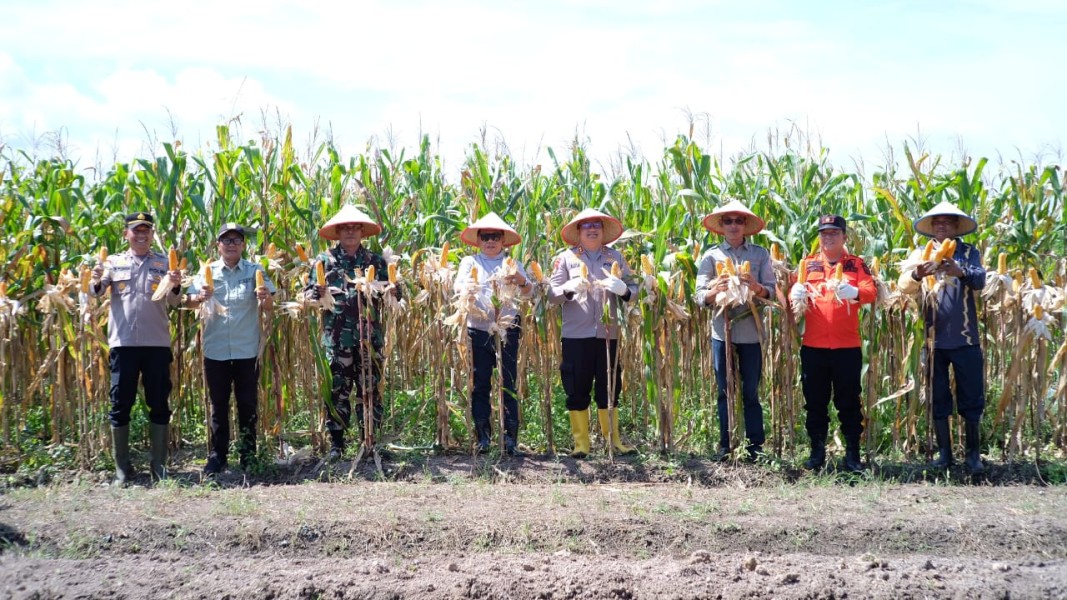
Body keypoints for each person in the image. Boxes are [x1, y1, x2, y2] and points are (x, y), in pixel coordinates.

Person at [89, 212, 182, 484]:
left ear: (152, 234)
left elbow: (175, 301)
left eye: (146, 231)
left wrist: (176, 284)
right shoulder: (113, 263)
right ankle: (122, 469)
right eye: (136, 230)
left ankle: (158, 467)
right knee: (120, 403)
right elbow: (96, 292)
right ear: (126, 234)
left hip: (156, 344)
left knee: (159, 403)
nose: (141, 235)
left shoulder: (164, 263)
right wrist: (95, 279)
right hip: (124, 344)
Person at [897, 201, 986, 473]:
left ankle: (973, 455)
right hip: (932, 340)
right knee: (937, 397)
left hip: (965, 338)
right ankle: (945, 454)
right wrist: (917, 273)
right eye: (937, 222)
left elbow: (980, 280)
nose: (941, 226)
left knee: (971, 397)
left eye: (947, 221)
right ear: (931, 227)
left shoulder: (968, 253)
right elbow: (903, 286)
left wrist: (960, 271)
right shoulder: (920, 254)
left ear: (957, 226)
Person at [186, 223, 276, 475]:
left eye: (236, 240)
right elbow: (189, 301)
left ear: (243, 245)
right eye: (226, 240)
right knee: (218, 405)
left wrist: (265, 298)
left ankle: (248, 455)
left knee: (247, 403)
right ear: (218, 245)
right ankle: (218, 456)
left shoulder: (255, 271)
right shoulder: (208, 271)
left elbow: (270, 305)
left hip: (247, 350)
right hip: (215, 349)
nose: (231, 244)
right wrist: (199, 297)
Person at [789, 214, 876, 472]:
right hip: (813, 346)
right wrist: (794, 293)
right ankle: (816, 453)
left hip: (847, 347)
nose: (828, 237)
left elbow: (871, 291)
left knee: (849, 402)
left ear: (844, 237)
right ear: (819, 237)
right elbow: (792, 294)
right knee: (815, 403)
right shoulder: (808, 264)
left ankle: (852, 454)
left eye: (834, 233)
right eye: (824, 233)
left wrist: (855, 292)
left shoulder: (856, 264)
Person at [548, 208, 638, 458]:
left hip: (608, 334)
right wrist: (568, 288)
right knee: (577, 388)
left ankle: (614, 441)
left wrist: (624, 290)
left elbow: (634, 289)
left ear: (602, 230)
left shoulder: (615, 256)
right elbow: (552, 295)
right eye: (586, 225)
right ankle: (581, 444)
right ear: (578, 231)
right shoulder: (566, 258)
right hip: (576, 335)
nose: (591, 229)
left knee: (610, 387)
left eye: (596, 224)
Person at [305, 205, 390, 461]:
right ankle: (337, 444)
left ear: (362, 231)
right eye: (345, 228)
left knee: (370, 390)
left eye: (355, 228)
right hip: (336, 338)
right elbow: (308, 295)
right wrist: (315, 294)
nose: (350, 232)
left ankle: (369, 441)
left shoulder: (375, 261)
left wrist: (395, 292)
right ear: (338, 232)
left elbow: (390, 294)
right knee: (337, 391)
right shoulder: (324, 261)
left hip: (369, 339)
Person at [694, 200, 775, 460]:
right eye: (728, 221)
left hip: (751, 332)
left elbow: (772, 291)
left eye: (738, 220)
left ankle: (755, 447)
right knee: (725, 391)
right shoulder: (711, 256)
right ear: (721, 225)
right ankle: (726, 445)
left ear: (745, 225)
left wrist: (756, 288)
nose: (733, 225)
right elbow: (699, 296)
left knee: (751, 391)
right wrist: (715, 291)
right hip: (722, 331)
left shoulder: (760, 255)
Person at [454, 212, 534, 455]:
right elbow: (457, 287)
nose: (490, 241)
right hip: (478, 330)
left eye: (495, 237)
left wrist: (520, 279)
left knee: (508, 382)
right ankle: (483, 439)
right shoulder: (470, 262)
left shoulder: (512, 264)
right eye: (486, 236)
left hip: (508, 330)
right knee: (480, 383)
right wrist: (468, 289)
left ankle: (510, 440)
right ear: (479, 240)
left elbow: (529, 293)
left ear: (503, 241)